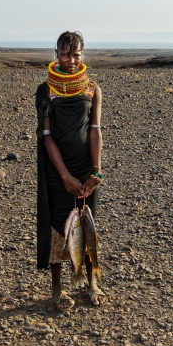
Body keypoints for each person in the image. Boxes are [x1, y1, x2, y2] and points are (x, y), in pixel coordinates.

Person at [36, 31, 108, 311]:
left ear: (83, 55)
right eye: (66, 54)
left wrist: (96, 172)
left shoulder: (92, 88)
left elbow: (95, 131)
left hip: (85, 168)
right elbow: (47, 135)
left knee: (86, 224)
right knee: (58, 226)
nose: (71, 60)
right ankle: (58, 289)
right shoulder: (46, 90)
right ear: (56, 54)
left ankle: (91, 283)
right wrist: (64, 176)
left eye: (77, 54)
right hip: (57, 171)